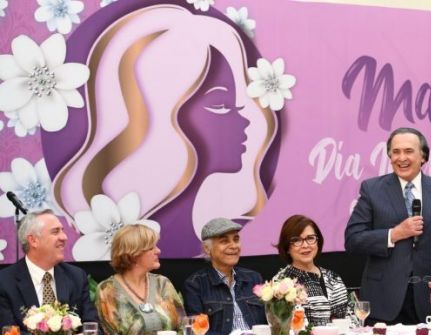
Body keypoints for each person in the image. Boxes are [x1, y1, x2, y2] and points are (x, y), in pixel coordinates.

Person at [45, 1, 280, 257]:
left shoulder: (225, 224)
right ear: (161, 114)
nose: (244, 120)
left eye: (238, 104)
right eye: (221, 105)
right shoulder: (137, 236)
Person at [345, 127, 431, 324]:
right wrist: (394, 234)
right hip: (384, 301)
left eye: (409, 151)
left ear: (423, 156)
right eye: (396, 152)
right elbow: (353, 239)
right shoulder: (372, 189)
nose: (401, 158)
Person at [0, 209, 98, 335]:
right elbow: (7, 334)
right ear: (33, 240)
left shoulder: (76, 277)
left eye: (62, 231)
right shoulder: (5, 282)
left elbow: (93, 327)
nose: (64, 237)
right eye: (55, 232)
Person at [95, 224, 185, 335]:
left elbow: (184, 328)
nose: (158, 251)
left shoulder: (162, 283)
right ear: (133, 254)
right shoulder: (107, 290)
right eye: (151, 248)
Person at [182, 218, 266, 335]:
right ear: (207, 248)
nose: (234, 246)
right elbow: (197, 333)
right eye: (224, 241)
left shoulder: (254, 278)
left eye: (236, 239)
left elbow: (270, 321)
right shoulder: (195, 284)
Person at [274, 215, 357, 326]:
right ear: (287, 247)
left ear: (318, 242)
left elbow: (351, 319)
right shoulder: (281, 282)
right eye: (296, 240)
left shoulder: (333, 277)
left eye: (310, 238)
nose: (305, 245)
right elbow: (287, 327)